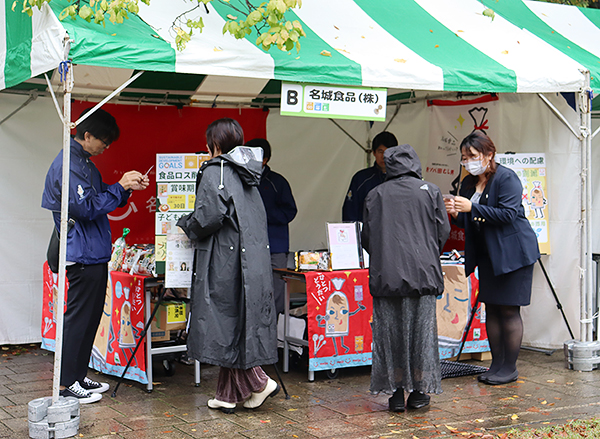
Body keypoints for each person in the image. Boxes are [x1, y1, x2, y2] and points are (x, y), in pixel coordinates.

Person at [42, 108, 149, 404]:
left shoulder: (83, 162)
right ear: (86, 135)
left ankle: (77, 375)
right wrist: (121, 186)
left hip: (93, 252)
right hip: (81, 253)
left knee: (89, 319)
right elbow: (87, 207)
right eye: (103, 140)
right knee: (78, 319)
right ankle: (65, 384)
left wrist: (125, 189)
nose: (106, 146)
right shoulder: (69, 164)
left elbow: (102, 199)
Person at [177, 118, 279, 414]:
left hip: (226, 261)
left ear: (215, 144)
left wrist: (186, 224)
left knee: (223, 322)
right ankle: (226, 395)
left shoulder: (216, 169)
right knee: (234, 325)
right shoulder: (249, 171)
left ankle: (259, 382)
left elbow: (208, 217)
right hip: (251, 261)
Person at [444, 131, 540, 386]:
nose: (468, 162)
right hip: (488, 256)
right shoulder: (467, 183)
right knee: (492, 310)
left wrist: (472, 208)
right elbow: (469, 222)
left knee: (508, 310)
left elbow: (507, 215)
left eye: (472, 156)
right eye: (464, 158)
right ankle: (496, 365)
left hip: (513, 254)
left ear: (489, 154)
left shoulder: (506, 178)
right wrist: (455, 212)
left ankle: (509, 368)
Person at [362, 144, 450, 413]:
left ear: (388, 165)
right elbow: (442, 231)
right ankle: (420, 393)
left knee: (390, 337)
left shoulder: (375, 194)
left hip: (386, 277)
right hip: (422, 275)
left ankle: (396, 393)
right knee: (422, 335)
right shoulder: (430, 191)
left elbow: (367, 238)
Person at [246, 138, 297, 315]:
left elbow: (290, 212)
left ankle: (276, 335)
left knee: (277, 290)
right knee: (251, 289)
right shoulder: (240, 180)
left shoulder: (277, 182)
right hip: (248, 246)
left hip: (275, 246)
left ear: (265, 160)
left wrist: (264, 213)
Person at [342, 131, 398, 222]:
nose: (384, 156)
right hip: (367, 234)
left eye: (389, 152)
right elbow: (350, 213)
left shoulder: (402, 179)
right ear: (374, 153)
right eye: (381, 151)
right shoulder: (361, 179)